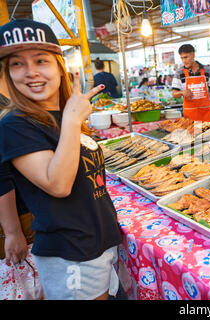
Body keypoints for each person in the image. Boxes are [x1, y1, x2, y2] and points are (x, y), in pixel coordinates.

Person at [0, 19, 123, 300]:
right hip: (72, 255)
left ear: (59, 66)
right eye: (17, 64)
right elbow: (58, 185)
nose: (30, 73)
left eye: (40, 60)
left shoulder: (60, 115)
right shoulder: (15, 125)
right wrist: (71, 119)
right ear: (7, 74)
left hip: (96, 244)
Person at [172, 44, 210, 122]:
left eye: (186, 57)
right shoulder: (179, 73)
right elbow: (174, 94)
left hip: (206, 114)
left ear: (193, 55)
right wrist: (182, 92)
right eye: (182, 58)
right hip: (190, 116)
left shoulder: (207, 70)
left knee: (209, 134)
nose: (184, 61)